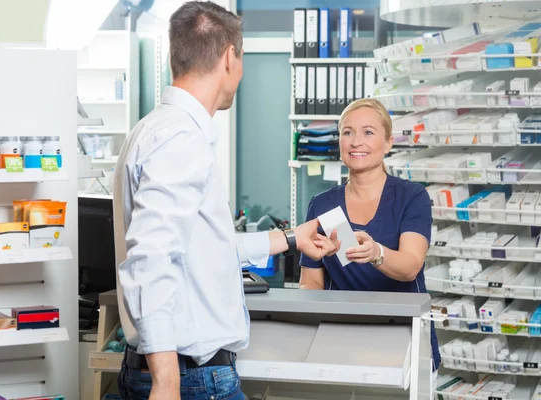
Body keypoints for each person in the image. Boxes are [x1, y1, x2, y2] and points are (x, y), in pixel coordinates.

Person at [111, 2, 340, 400]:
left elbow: (200, 249)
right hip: (191, 379)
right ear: (230, 57)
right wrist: (167, 383)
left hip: (173, 371)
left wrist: (289, 239)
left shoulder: (152, 129)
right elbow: (150, 258)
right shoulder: (182, 139)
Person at [298, 98, 441, 375]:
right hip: (342, 339)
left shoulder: (411, 196)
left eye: (368, 132)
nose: (355, 142)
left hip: (403, 337)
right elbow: (310, 283)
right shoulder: (323, 205)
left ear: (388, 142)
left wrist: (377, 254)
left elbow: (411, 267)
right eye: (347, 132)